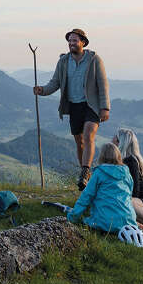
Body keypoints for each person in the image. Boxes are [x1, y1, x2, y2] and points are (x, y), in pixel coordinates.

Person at [34, 28, 110, 190]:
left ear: (83, 42)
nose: (71, 43)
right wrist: (42, 90)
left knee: (89, 135)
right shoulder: (63, 62)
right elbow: (55, 82)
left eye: (75, 40)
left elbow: (103, 85)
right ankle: (84, 172)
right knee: (79, 141)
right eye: (69, 40)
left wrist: (105, 107)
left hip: (92, 105)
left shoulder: (94, 60)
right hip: (74, 105)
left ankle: (85, 172)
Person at [66, 142, 137, 232]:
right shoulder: (127, 174)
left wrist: (72, 217)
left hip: (104, 223)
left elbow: (86, 196)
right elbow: (129, 197)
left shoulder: (99, 173)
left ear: (102, 156)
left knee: (86, 220)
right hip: (128, 223)